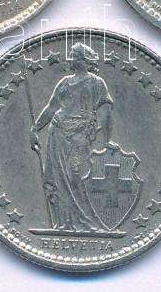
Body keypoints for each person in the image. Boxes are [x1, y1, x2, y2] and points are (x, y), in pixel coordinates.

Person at [30, 42, 114, 232]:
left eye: (74, 55)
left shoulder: (97, 83)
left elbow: (107, 112)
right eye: (71, 55)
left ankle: (86, 222)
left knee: (76, 176)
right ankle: (65, 223)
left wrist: (107, 140)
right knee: (57, 177)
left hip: (80, 134)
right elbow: (52, 107)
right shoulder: (64, 82)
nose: (70, 58)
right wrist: (35, 128)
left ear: (85, 60)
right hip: (57, 132)